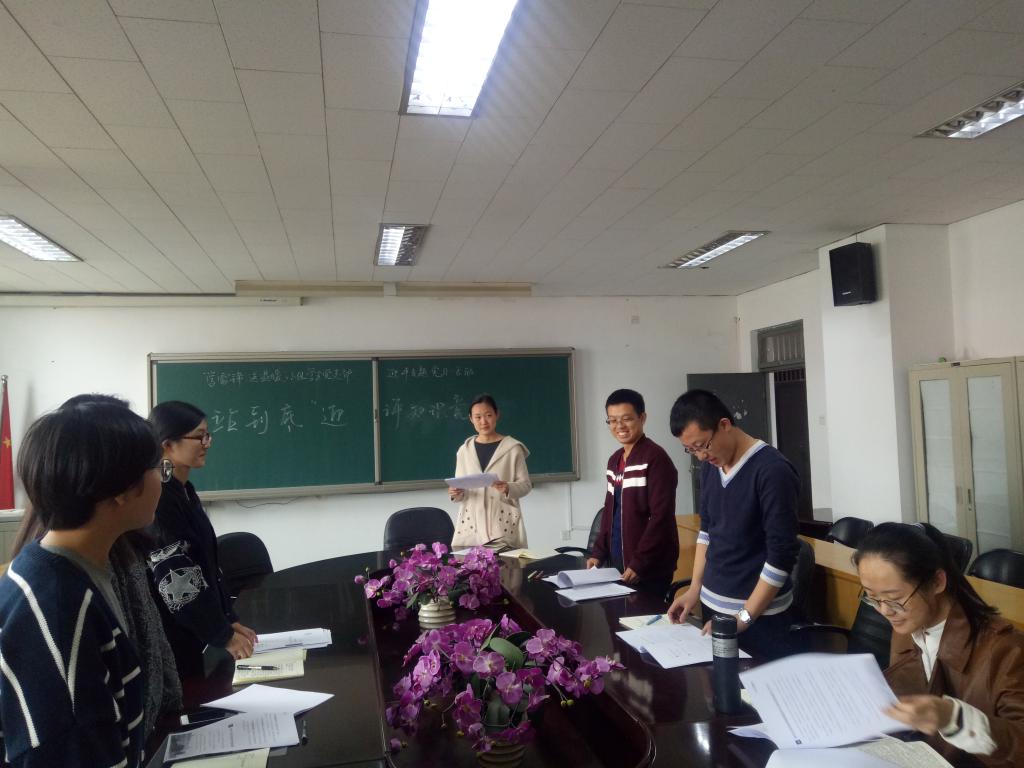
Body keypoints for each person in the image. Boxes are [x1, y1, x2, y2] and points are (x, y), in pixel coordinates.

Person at [7, 394, 183, 743]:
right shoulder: (59, 607)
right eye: (158, 468)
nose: (162, 481)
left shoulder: (84, 571)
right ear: (122, 489)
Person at [855, 522, 1023, 767]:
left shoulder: (1005, 649)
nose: (884, 611)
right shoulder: (908, 625)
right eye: (872, 598)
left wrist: (953, 718)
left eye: (894, 598)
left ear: (937, 582)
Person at [667, 389, 800, 660]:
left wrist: (743, 618)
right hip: (713, 607)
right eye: (691, 450)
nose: (700, 456)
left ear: (724, 425)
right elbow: (707, 531)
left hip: (759, 618)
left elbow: (781, 556)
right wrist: (695, 588)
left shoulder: (772, 470)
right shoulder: (711, 466)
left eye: (702, 445)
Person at [147, 400, 257, 676]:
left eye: (208, 435)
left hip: (197, 633)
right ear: (167, 444)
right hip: (176, 639)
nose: (207, 443)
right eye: (199, 437)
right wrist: (222, 635)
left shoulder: (184, 490)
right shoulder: (159, 498)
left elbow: (207, 564)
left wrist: (228, 619)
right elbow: (176, 578)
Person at [586, 389, 679, 596]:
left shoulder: (655, 458)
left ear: (642, 418)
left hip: (648, 568)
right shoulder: (614, 460)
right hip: (618, 565)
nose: (619, 426)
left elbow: (661, 517)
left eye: (626, 419)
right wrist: (598, 553)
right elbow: (609, 512)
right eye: (612, 420)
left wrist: (640, 563)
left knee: (643, 615)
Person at [449, 394, 532, 548]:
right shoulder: (464, 451)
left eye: (488, 415)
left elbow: (526, 485)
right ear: (471, 419)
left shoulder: (512, 448)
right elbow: (460, 490)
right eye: (478, 417)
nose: (483, 421)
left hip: (502, 525)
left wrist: (508, 487)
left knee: (506, 563)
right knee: (470, 564)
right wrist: (455, 492)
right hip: (471, 527)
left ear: (497, 415)